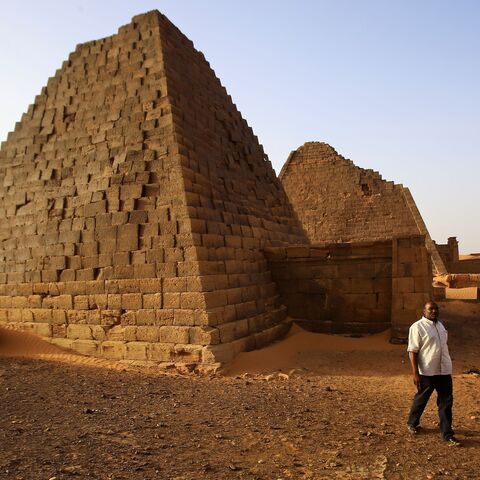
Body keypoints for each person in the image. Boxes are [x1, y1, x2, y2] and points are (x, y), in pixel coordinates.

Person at [406, 301, 461, 446]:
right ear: (424, 311)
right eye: (430, 309)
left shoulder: (440, 326)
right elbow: (412, 351)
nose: (434, 311)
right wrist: (415, 373)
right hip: (427, 371)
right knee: (422, 398)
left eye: (436, 309)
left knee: (446, 402)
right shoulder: (417, 327)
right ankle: (412, 422)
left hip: (444, 370)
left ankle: (447, 433)